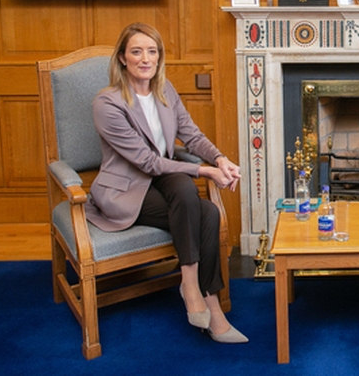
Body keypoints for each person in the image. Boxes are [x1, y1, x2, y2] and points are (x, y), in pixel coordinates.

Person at [84, 22, 248, 344]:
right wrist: (204, 172)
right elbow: (147, 161)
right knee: (206, 211)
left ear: (159, 57)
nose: (145, 59)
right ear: (122, 58)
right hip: (125, 189)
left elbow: (191, 135)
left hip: (163, 182)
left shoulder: (165, 91)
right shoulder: (107, 103)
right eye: (136, 52)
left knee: (191, 195)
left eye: (152, 51)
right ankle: (201, 297)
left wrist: (219, 159)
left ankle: (199, 293)